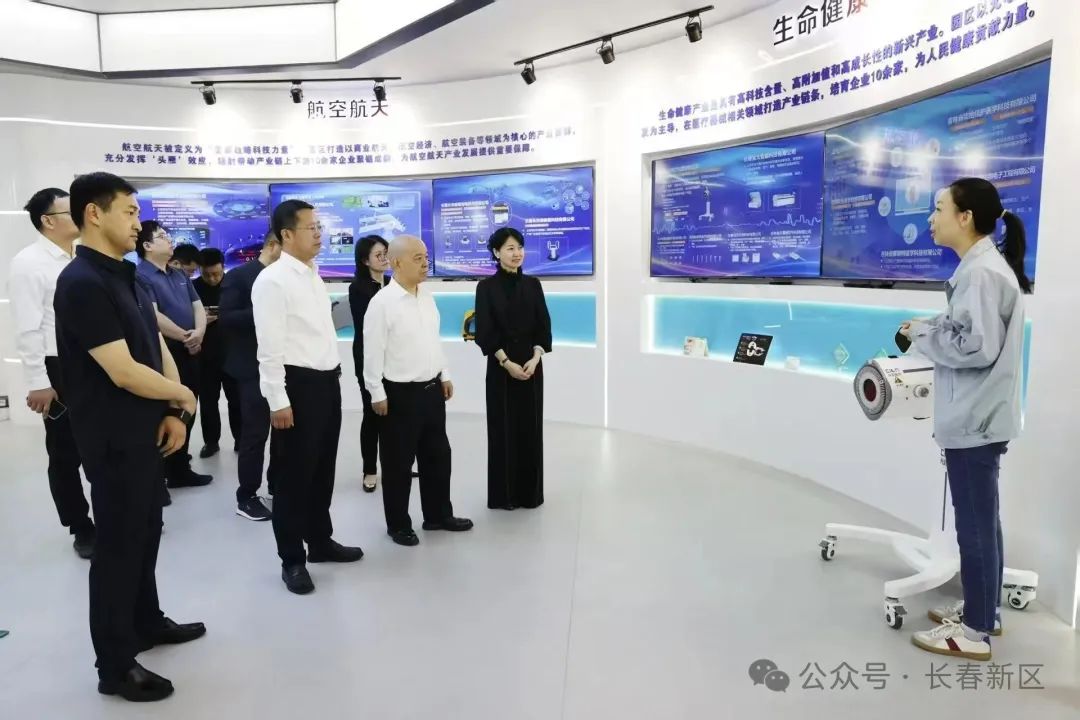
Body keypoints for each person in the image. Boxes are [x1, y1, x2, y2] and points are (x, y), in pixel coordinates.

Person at [54, 172, 205, 702]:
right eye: (130, 211)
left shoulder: (128, 277)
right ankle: (114, 665)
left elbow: (154, 348)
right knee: (118, 548)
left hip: (146, 431)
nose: (139, 223)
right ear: (94, 214)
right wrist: (185, 395)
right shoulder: (81, 283)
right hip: (112, 438)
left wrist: (174, 406)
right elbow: (121, 370)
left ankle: (146, 620)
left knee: (146, 532)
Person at [901, 178, 1030, 662]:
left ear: (965, 217)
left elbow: (975, 347)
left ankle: (974, 632)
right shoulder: (982, 269)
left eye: (938, 209)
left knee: (974, 527)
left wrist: (921, 338)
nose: (930, 219)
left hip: (975, 420)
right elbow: (967, 330)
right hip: (982, 417)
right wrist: (928, 328)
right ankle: (985, 612)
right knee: (983, 521)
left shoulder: (980, 274)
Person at [253, 200, 363, 593]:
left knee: (321, 469)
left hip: (326, 384)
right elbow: (269, 348)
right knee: (293, 477)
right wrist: (278, 400)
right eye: (310, 227)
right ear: (286, 235)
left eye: (319, 226)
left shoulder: (314, 275)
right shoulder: (272, 281)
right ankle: (292, 559)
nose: (319, 233)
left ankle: (319, 540)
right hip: (296, 387)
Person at [364, 235, 474, 547]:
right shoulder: (382, 304)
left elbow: (432, 341)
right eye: (418, 258)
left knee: (438, 456)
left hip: (431, 390)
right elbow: (371, 353)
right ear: (396, 263)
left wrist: (444, 374)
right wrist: (376, 393)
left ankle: (438, 515)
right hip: (399, 395)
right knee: (398, 464)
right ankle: (398, 524)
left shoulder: (426, 296)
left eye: (426, 257)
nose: (426, 263)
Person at [8, 187, 95, 557]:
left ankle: (114, 512)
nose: (78, 216)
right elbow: (28, 328)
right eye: (68, 211)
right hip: (56, 365)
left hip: (93, 361)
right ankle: (80, 526)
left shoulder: (81, 256)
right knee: (65, 451)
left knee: (100, 441)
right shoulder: (29, 263)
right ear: (47, 221)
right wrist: (38, 382)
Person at [474, 228, 552, 510]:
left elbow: (543, 326)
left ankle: (530, 494)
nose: (517, 253)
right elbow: (485, 331)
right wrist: (506, 363)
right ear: (496, 253)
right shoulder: (486, 287)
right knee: (502, 429)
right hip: (501, 368)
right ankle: (504, 495)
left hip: (531, 367)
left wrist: (536, 357)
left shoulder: (533, 284)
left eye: (519, 247)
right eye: (510, 248)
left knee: (530, 429)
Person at [134, 221, 212, 490]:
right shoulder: (141, 276)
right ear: (147, 245)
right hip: (164, 352)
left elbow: (198, 306)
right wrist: (186, 337)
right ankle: (160, 474)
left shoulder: (178, 274)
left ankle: (180, 468)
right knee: (165, 410)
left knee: (187, 405)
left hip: (191, 349)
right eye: (162, 236)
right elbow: (152, 316)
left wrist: (199, 333)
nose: (169, 240)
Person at [220, 230, 282, 522]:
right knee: (255, 434)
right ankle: (246, 496)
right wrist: (264, 311)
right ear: (273, 245)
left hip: (283, 366)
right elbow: (227, 317)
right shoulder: (240, 276)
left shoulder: (286, 278)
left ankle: (276, 484)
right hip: (251, 368)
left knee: (283, 431)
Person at [348, 235, 390, 493]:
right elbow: (368, 327)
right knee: (372, 413)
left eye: (386, 253)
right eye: (378, 255)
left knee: (396, 415)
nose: (384, 258)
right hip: (367, 358)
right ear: (365, 260)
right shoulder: (358, 289)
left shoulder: (394, 283)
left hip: (394, 358)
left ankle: (396, 463)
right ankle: (370, 469)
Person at [192, 247, 241, 459]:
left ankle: (240, 439)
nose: (212, 279)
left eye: (216, 274)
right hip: (204, 356)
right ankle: (211, 442)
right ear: (200, 270)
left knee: (236, 400)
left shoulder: (234, 285)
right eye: (207, 274)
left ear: (223, 267)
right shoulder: (192, 288)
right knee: (208, 402)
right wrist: (199, 318)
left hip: (232, 353)